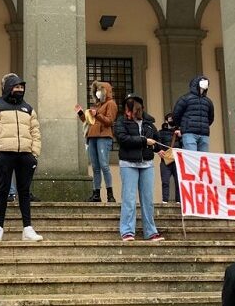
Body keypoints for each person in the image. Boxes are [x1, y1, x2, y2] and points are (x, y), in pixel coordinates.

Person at [0, 73, 42, 243]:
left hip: (25, 155)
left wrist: (34, 153)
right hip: (4, 154)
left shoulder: (28, 108)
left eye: (21, 87)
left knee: (24, 192)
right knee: (3, 191)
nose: (20, 90)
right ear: (9, 88)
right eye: (16, 87)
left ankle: (27, 229)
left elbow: (36, 132)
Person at [115, 93, 164, 242]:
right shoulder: (121, 122)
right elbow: (122, 139)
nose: (127, 112)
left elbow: (156, 140)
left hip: (147, 165)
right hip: (128, 164)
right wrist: (143, 141)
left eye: (129, 109)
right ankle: (127, 231)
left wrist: (158, 149)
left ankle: (151, 232)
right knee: (129, 199)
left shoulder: (149, 124)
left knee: (148, 199)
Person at [76, 81, 118, 203]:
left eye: (100, 90)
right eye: (96, 91)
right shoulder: (97, 105)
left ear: (105, 91)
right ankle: (96, 194)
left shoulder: (111, 104)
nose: (97, 93)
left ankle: (110, 194)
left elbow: (109, 121)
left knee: (104, 165)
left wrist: (97, 114)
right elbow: (88, 121)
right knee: (95, 167)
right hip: (92, 137)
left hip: (104, 136)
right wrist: (80, 112)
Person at [172, 75, 215, 152]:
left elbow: (211, 117)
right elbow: (176, 114)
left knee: (203, 159)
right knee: (191, 158)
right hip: (189, 133)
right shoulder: (185, 99)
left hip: (204, 134)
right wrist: (183, 126)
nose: (205, 83)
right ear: (196, 84)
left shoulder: (208, 101)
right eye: (202, 81)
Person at [158, 113, 179, 204]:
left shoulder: (180, 132)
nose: (171, 120)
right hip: (165, 160)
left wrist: (180, 135)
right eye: (169, 119)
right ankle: (165, 201)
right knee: (165, 181)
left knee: (178, 181)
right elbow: (157, 143)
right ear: (166, 120)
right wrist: (159, 150)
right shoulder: (161, 132)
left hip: (178, 160)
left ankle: (179, 201)